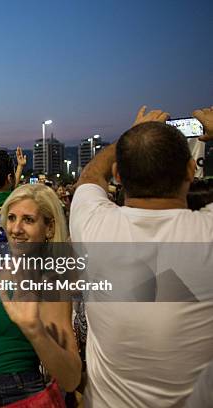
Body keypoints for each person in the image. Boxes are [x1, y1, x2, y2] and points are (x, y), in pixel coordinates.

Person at [69, 106, 213, 407]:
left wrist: (129, 136)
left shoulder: (94, 227)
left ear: (118, 174)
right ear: (190, 169)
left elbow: (90, 175)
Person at [0, 184, 81, 406]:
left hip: (21, 394)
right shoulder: (3, 268)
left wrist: (35, 331)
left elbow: (71, 378)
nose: (16, 228)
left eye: (28, 220)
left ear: (49, 228)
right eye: (11, 218)